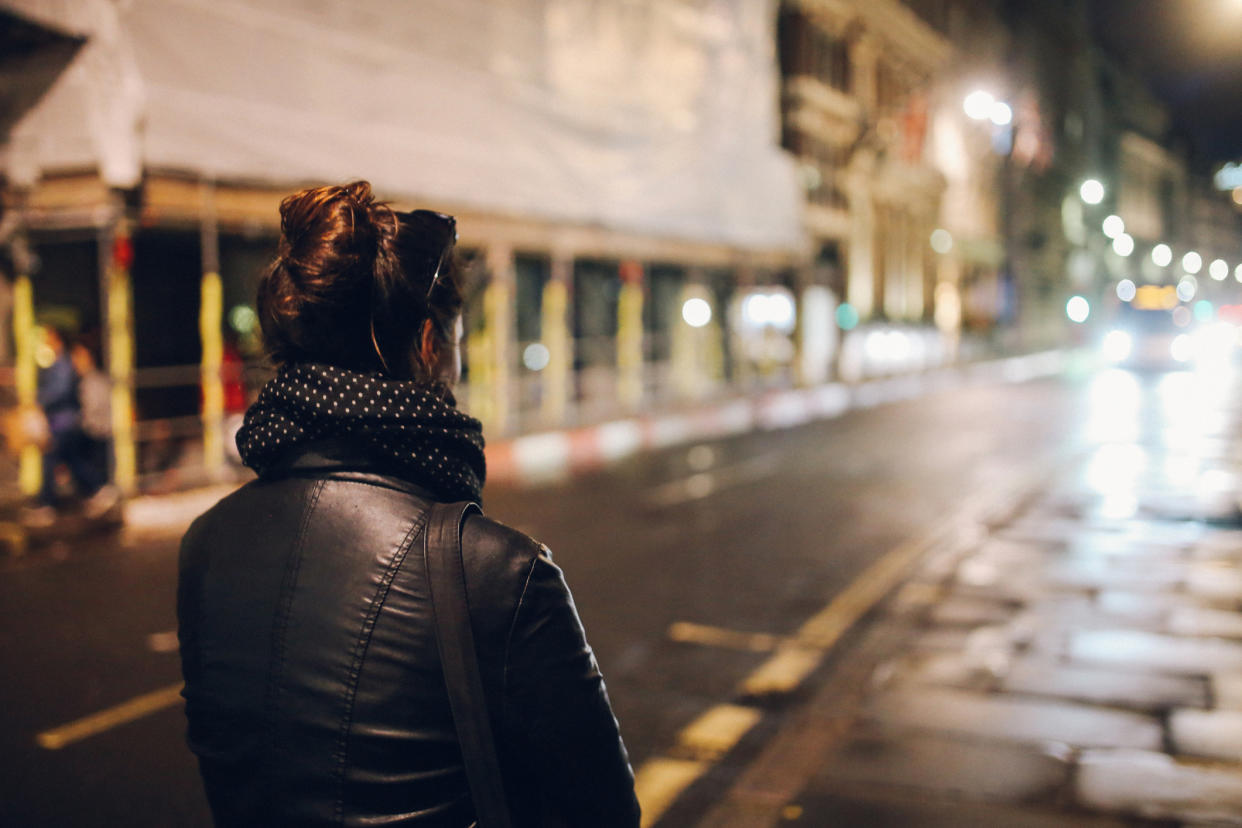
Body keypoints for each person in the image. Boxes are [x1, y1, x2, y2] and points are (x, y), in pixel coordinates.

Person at [177, 181, 640, 827]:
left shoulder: (207, 542)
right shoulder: (498, 572)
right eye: (455, 340)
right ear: (429, 345)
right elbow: (600, 814)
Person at [28, 326, 106, 525]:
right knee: (71, 460)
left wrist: (40, 400)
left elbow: (59, 392)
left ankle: (47, 504)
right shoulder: (56, 363)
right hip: (62, 422)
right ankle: (97, 489)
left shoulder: (61, 364)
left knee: (51, 459)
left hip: (63, 423)